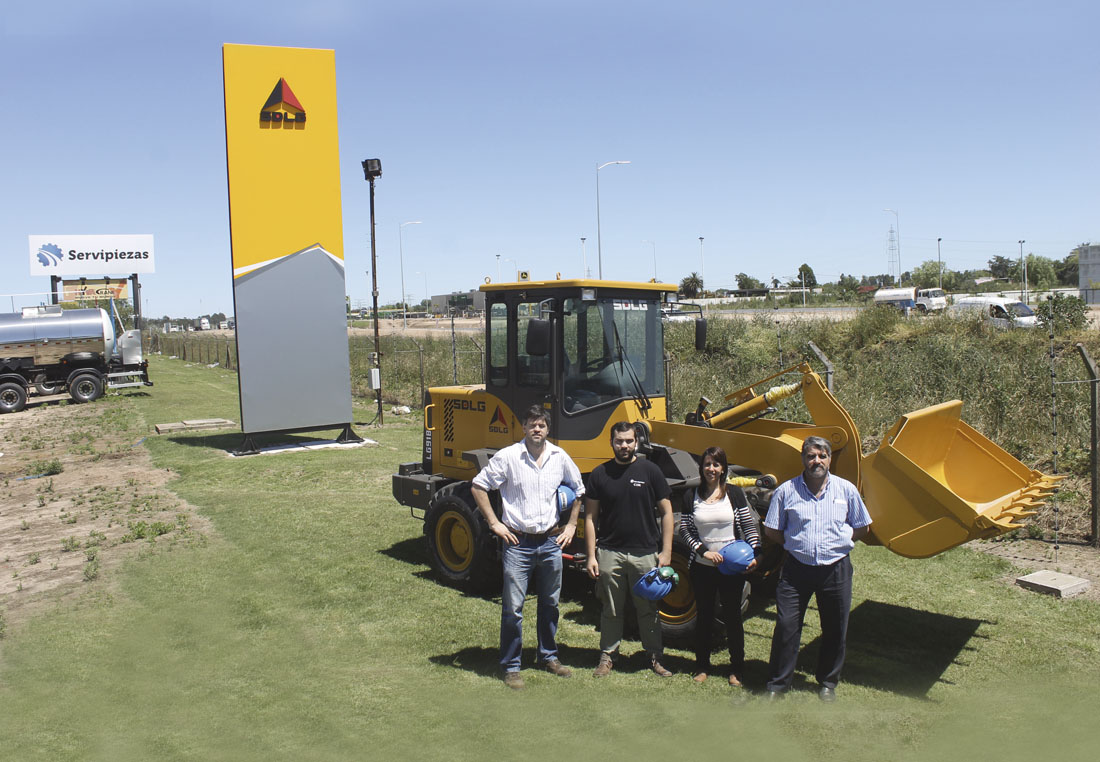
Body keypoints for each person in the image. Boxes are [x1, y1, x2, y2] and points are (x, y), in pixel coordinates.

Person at [471, 405, 585, 691]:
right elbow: (478, 486)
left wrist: (571, 525)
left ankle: (548, 656)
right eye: (532, 425)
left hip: (549, 542)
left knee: (550, 603)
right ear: (523, 428)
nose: (537, 429)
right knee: (513, 608)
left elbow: (580, 489)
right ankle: (511, 666)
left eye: (542, 425)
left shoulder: (560, 457)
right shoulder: (509, 457)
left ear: (548, 429)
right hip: (518, 544)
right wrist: (495, 523)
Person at [763, 436, 872, 702]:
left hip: (835, 569)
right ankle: (778, 684)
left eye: (822, 456)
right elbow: (772, 529)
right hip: (796, 569)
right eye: (811, 456)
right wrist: (795, 543)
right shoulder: (786, 491)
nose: (816, 461)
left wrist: (838, 543)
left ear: (829, 459)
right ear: (802, 458)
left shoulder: (846, 490)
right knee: (787, 625)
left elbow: (862, 526)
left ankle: (827, 683)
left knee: (835, 627)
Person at [584, 421, 675, 678]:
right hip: (610, 553)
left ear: (636, 442)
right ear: (611, 442)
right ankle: (607, 656)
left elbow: (667, 512)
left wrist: (665, 552)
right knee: (611, 608)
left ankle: (655, 656)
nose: (624, 446)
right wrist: (591, 556)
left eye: (628, 441)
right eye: (619, 441)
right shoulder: (600, 474)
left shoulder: (651, 471)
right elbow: (590, 518)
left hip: (645, 553)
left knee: (648, 608)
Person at [678, 446, 760, 687]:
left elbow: (748, 526)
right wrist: (704, 551)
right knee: (703, 616)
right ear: (701, 468)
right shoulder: (690, 496)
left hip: (731, 568)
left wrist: (756, 553)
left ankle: (737, 668)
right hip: (702, 567)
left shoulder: (733, 494)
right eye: (707, 464)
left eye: (716, 464)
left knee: (733, 617)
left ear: (723, 467)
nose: (711, 469)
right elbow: (685, 530)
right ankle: (702, 665)